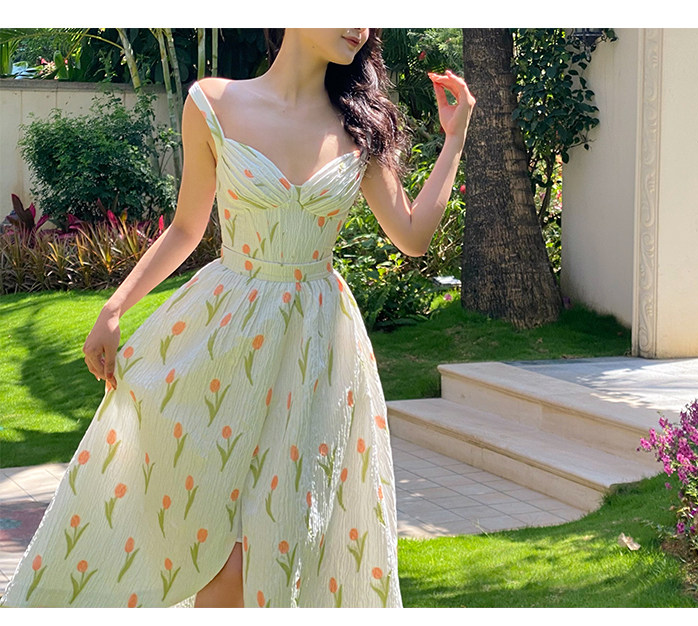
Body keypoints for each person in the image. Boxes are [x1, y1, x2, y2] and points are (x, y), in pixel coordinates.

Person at [0, 27, 475, 608]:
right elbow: (186, 228)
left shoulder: (360, 126)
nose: (360, 25)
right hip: (224, 338)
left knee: (269, 547)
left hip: (316, 355)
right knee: (215, 550)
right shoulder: (213, 102)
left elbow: (413, 236)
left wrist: (455, 139)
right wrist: (115, 305)